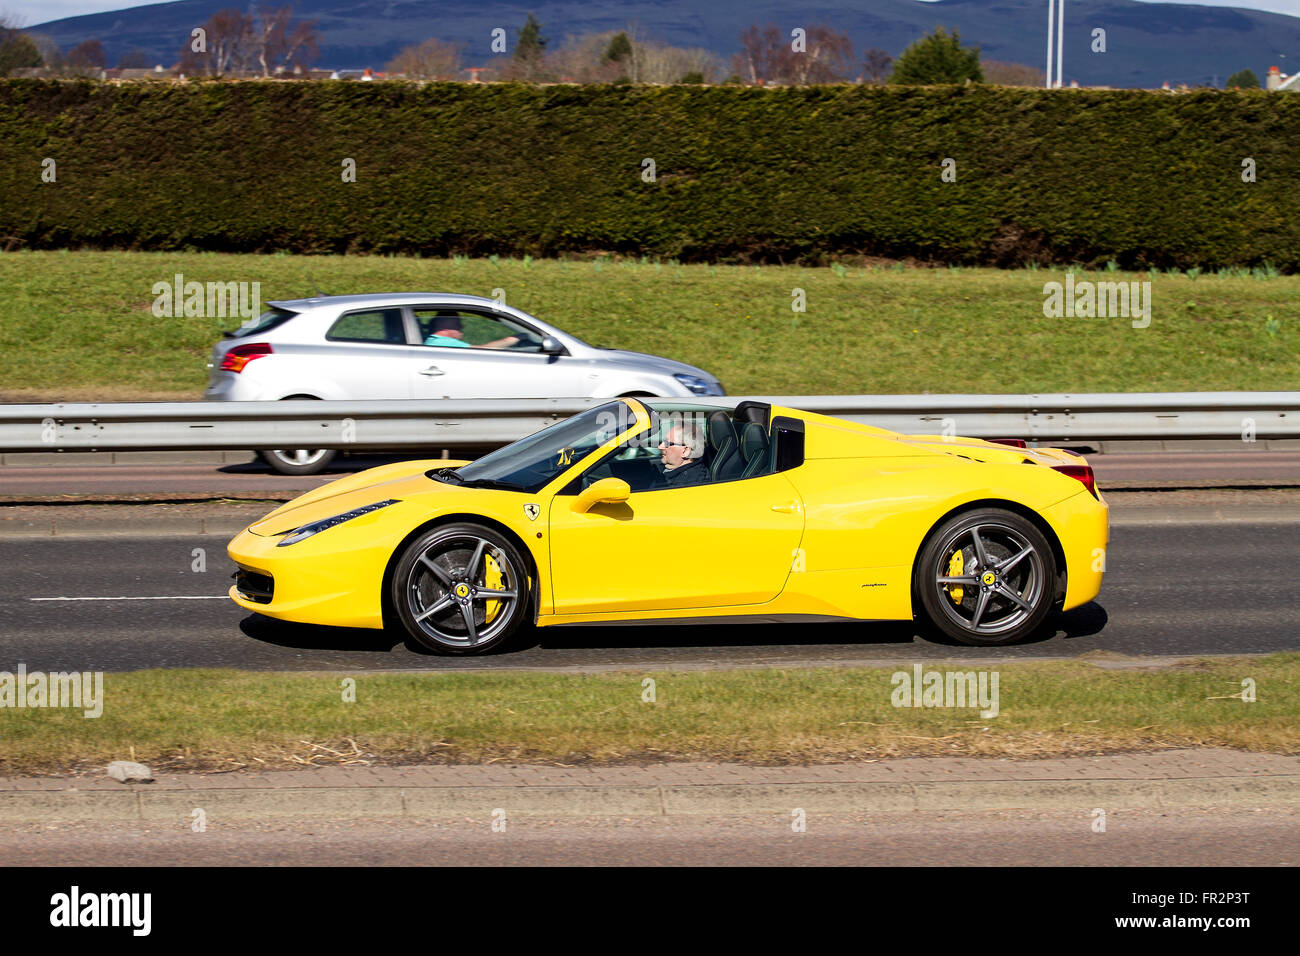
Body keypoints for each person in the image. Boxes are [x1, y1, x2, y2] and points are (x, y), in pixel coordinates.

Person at [655, 420, 708, 487]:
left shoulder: (687, 485)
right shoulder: (672, 472)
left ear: (685, 451)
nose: (660, 447)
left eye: (667, 443)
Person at [424, 313, 520, 349]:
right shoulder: (443, 342)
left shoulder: (432, 340)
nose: (462, 327)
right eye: (458, 324)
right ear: (446, 329)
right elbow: (482, 350)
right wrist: (510, 340)